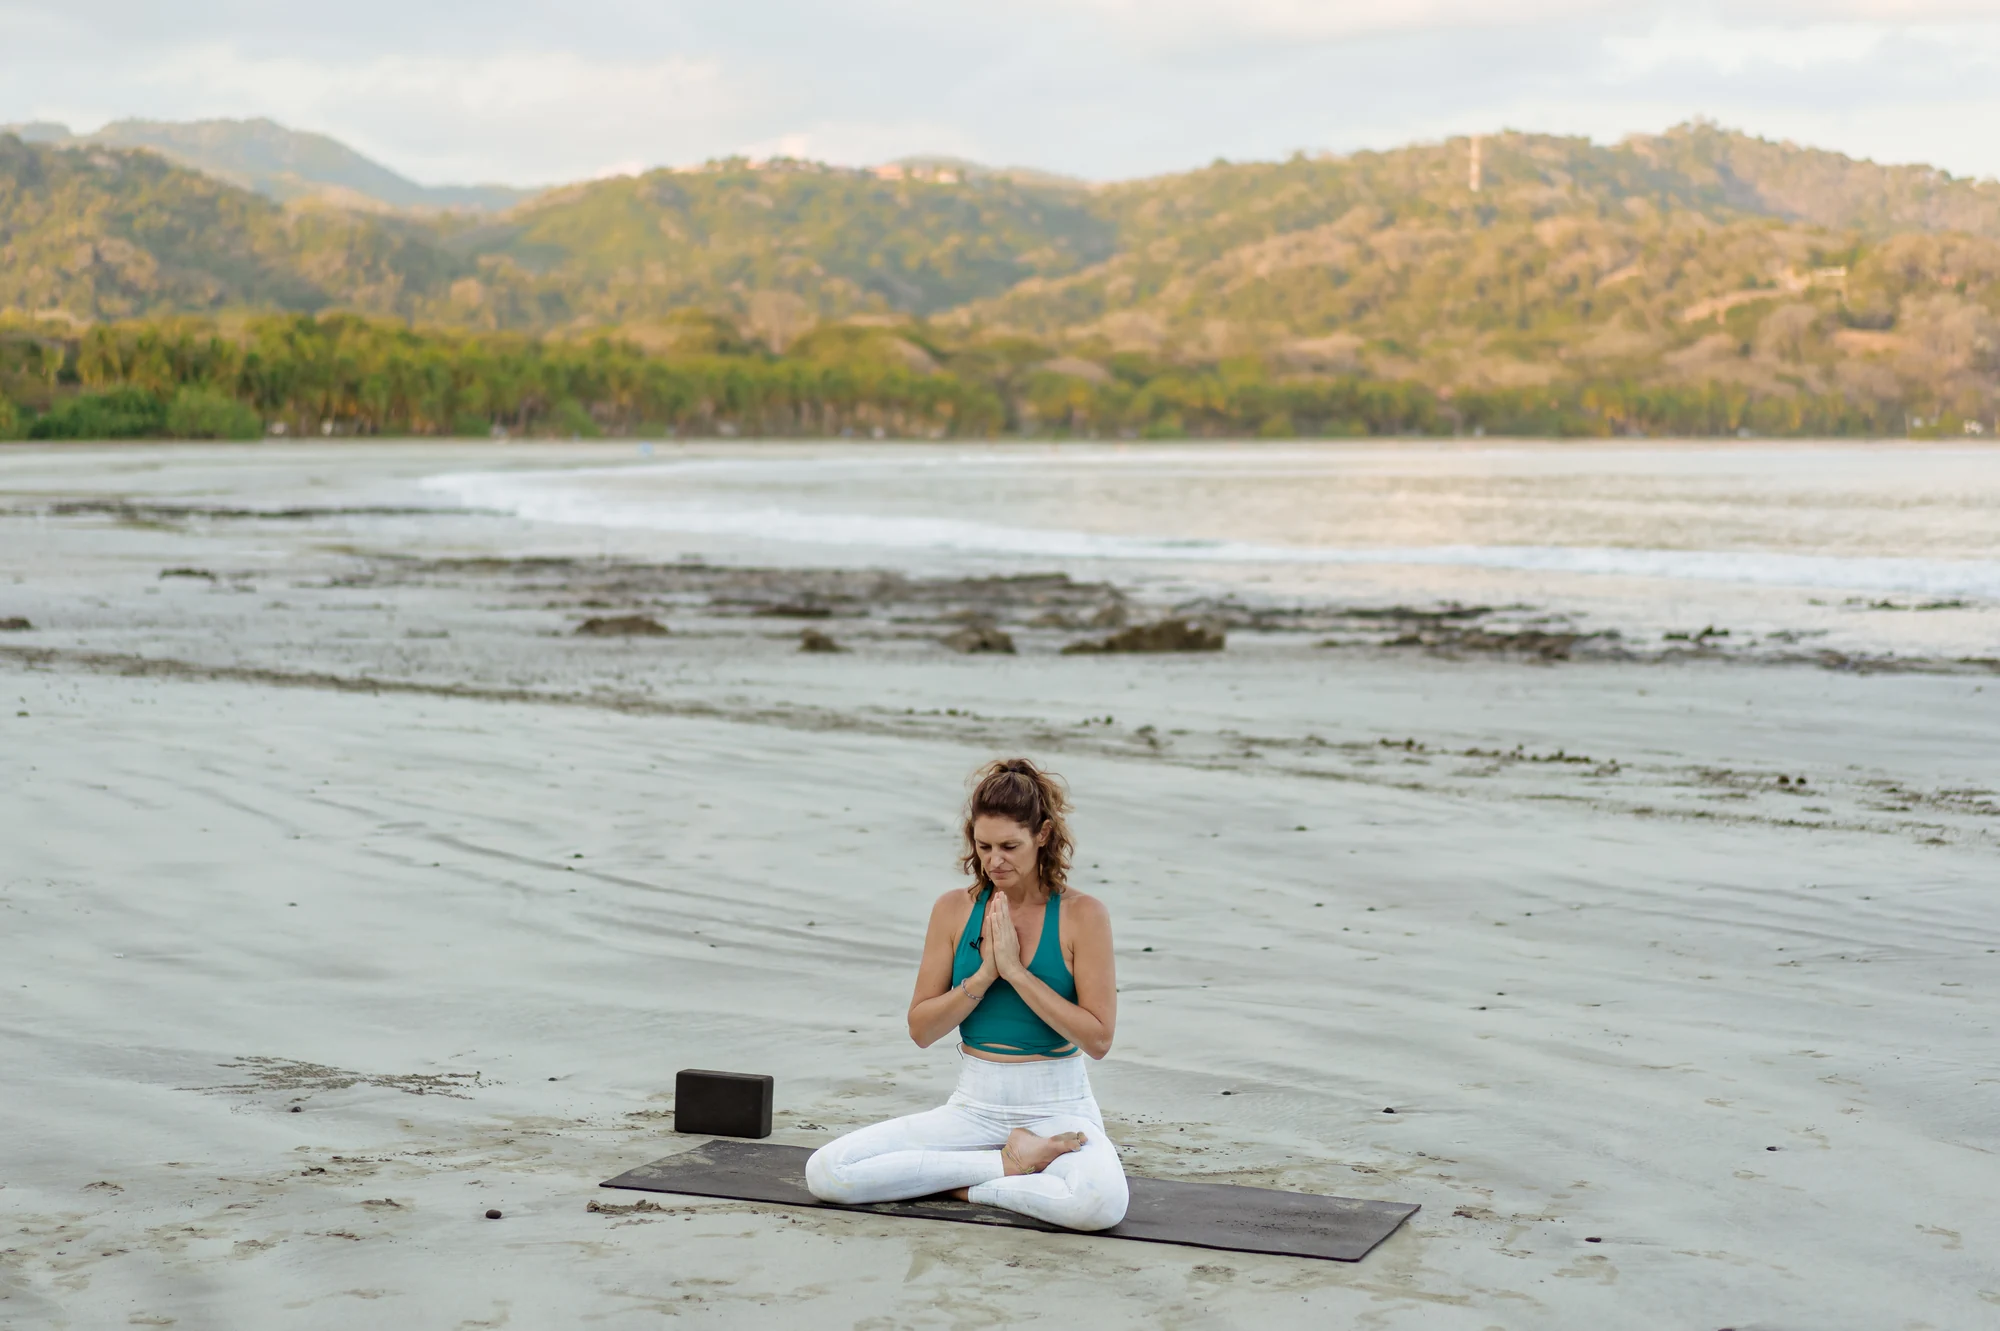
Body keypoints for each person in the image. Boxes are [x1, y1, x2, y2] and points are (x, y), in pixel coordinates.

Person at [805, 758, 1128, 1231]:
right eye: (984, 846)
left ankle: (959, 1182)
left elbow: (1098, 1040)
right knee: (827, 1172)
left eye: (1009, 846)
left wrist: (1017, 973)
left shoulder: (1083, 915)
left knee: (1099, 1205)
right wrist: (982, 978)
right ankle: (1008, 1167)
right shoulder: (954, 910)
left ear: (1043, 835)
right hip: (973, 1108)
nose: (995, 860)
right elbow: (921, 1029)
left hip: (1058, 1108)